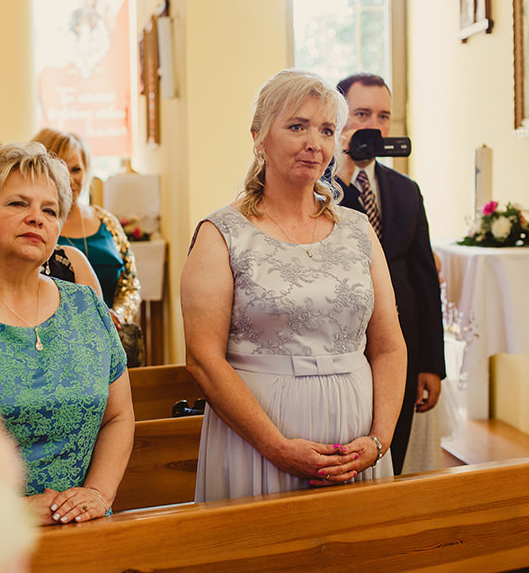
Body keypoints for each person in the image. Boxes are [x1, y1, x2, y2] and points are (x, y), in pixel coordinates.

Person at [181, 68, 407, 501]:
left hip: (356, 434)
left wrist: (379, 440)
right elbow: (203, 359)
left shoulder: (358, 230)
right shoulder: (221, 233)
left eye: (326, 130)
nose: (314, 143)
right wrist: (276, 448)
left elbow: (389, 347)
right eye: (297, 126)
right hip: (259, 438)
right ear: (259, 137)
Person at [0, 141, 134, 525]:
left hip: (86, 526)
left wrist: (98, 493)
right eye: (18, 203)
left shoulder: (86, 306)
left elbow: (119, 416)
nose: (36, 218)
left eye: (50, 210)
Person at [333, 73, 446, 475]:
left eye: (383, 117)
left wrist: (431, 362)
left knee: (392, 454)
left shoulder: (405, 190)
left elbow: (424, 281)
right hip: (344, 347)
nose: (374, 126)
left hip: (403, 343)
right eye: (361, 114)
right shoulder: (319, 187)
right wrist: (342, 169)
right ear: (337, 118)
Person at [31, 129, 141, 326]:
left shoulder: (106, 221)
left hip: (111, 332)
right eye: (60, 170)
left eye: (76, 170)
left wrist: (119, 315)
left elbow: (130, 284)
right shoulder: (35, 225)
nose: (69, 180)